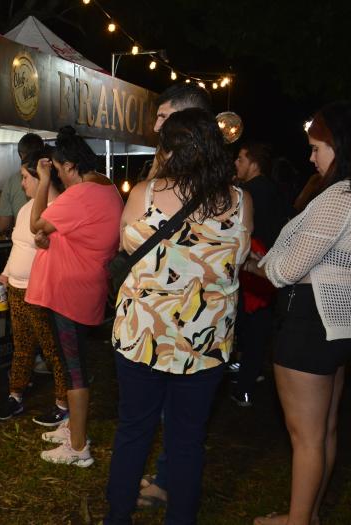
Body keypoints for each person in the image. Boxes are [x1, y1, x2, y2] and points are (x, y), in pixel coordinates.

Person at [246, 101, 351, 525]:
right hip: (345, 325)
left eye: (316, 147)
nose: (311, 157)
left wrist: (251, 261)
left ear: (342, 146)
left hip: (311, 322)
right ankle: (307, 514)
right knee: (324, 431)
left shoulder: (340, 196)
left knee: (306, 438)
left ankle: (299, 522)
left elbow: (285, 269)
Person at [105, 108, 252, 525]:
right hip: (205, 344)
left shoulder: (145, 195)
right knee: (188, 440)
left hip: (141, 337)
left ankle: (117, 517)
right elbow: (237, 262)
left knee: (134, 430)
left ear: (167, 151)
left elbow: (127, 248)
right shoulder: (240, 202)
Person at [135, 81, 213, 509]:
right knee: (176, 420)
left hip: (185, 327)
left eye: (164, 118)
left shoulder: (212, 186)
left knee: (178, 424)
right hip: (171, 325)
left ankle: (171, 481)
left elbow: (133, 235)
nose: (156, 126)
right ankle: (168, 478)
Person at [27, 126, 122, 467]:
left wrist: (41, 181)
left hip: (70, 292)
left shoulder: (79, 195)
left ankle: (79, 448)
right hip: (84, 287)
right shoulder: (106, 186)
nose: (57, 177)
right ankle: (72, 428)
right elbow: (72, 233)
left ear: (68, 166)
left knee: (74, 370)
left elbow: (36, 223)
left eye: (56, 169)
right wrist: (50, 239)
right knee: (73, 366)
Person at [0, 147, 70, 427]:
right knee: (22, 346)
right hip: (16, 288)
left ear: (41, 178)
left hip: (42, 291)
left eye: (25, 177)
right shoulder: (26, 209)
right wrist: (5, 274)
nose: (21, 183)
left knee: (52, 347)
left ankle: (63, 403)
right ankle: (15, 396)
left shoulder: (58, 209)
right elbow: (19, 248)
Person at [230, 142, 293, 406]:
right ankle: (248, 376)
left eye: (241, 159)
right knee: (258, 328)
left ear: (253, 163)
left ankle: (242, 384)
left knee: (245, 326)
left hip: (250, 269)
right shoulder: (278, 191)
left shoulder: (246, 193)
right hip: (270, 268)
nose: (236, 163)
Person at [0, 133, 44, 236]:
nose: (22, 183)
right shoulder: (56, 178)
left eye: (25, 177)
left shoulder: (12, 181)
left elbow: (2, 226)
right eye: (24, 177)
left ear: (21, 155)